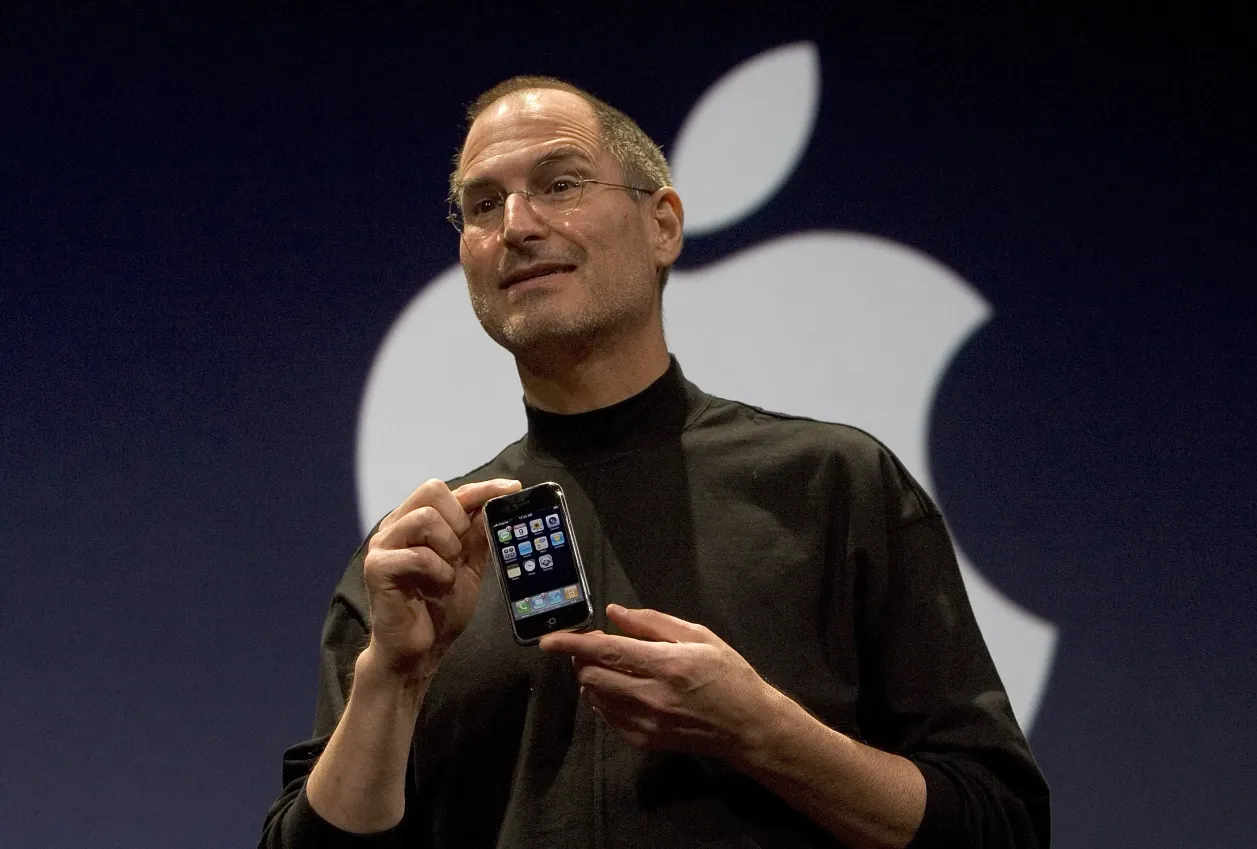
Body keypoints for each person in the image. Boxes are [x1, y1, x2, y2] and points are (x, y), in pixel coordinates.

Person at [259, 76, 1050, 849]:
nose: (518, 225)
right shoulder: (419, 562)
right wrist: (392, 680)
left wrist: (764, 731)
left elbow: (1000, 821)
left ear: (662, 224)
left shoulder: (833, 483)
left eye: (560, 183)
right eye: (482, 204)